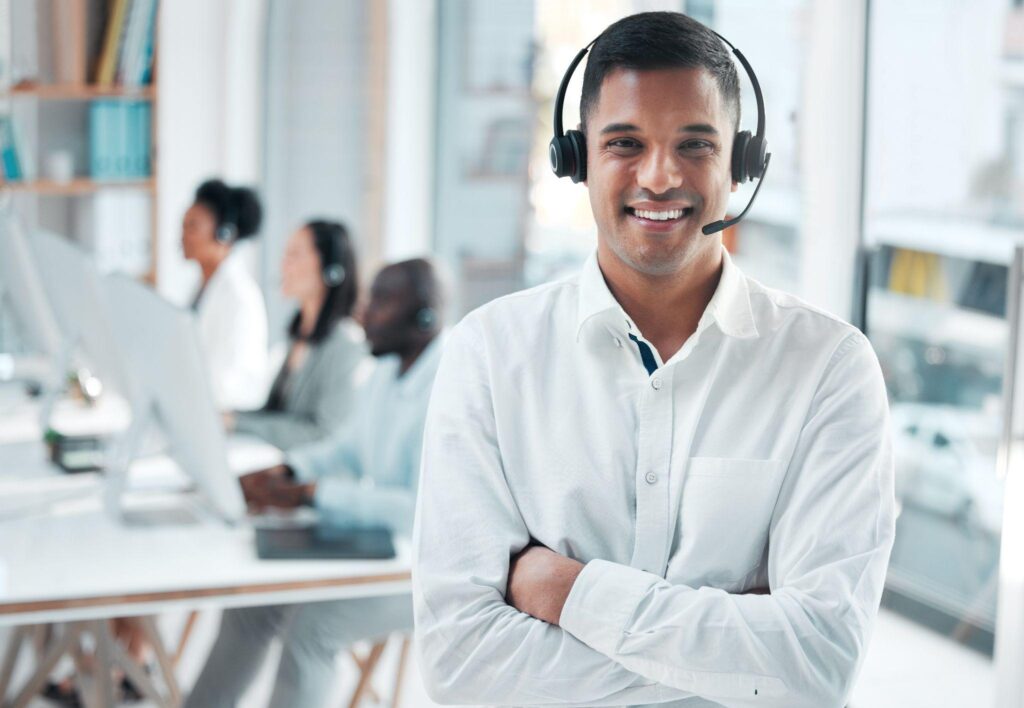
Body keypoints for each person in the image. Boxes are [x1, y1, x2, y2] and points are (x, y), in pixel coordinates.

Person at [414, 12, 895, 708]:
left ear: (742, 162)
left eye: (695, 144)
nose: (661, 175)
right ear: (574, 162)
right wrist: (735, 660)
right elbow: (461, 665)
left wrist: (565, 590)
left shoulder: (829, 369)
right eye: (625, 143)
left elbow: (816, 663)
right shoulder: (489, 356)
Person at [186, 258, 445, 708]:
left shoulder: (447, 388)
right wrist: (290, 471)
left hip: (428, 573)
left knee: (312, 630)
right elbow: (346, 448)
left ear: (423, 319)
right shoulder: (386, 368)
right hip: (383, 551)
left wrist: (315, 495)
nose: (362, 313)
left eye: (381, 302)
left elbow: (417, 511)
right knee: (253, 604)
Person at [226, 219, 369, 450]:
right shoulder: (298, 336)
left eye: (294, 254)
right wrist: (228, 416)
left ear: (330, 268)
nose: (283, 265)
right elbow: (274, 415)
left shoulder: (347, 344)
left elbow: (326, 434)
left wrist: (237, 423)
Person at [182, 178, 268, 411]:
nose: (183, 236)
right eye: (184, 225)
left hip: (226, 414)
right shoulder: (202, 286)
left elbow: (230, 382)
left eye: (193, 227)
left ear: (224, 233)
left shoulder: (240, 296)